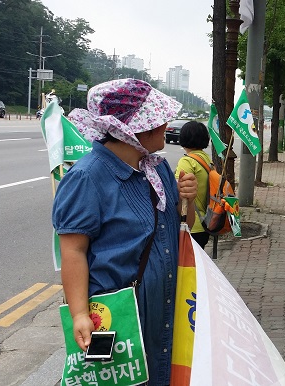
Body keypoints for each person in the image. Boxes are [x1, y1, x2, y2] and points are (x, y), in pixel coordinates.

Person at [52, 79, 197, 384]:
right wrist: (79, 314)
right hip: (119, 314)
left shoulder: (158, 169)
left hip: (164, 305)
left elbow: (182, 226)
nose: (166, 125)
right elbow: (73, 250)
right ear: (135, 129)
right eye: (158, 120)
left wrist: (189, 200)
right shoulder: (87, 177)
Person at [175, 120, 212, 249]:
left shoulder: (187, 161)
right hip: (204, 223)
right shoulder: (207, 160)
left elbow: (178, 192)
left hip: (191, 226)